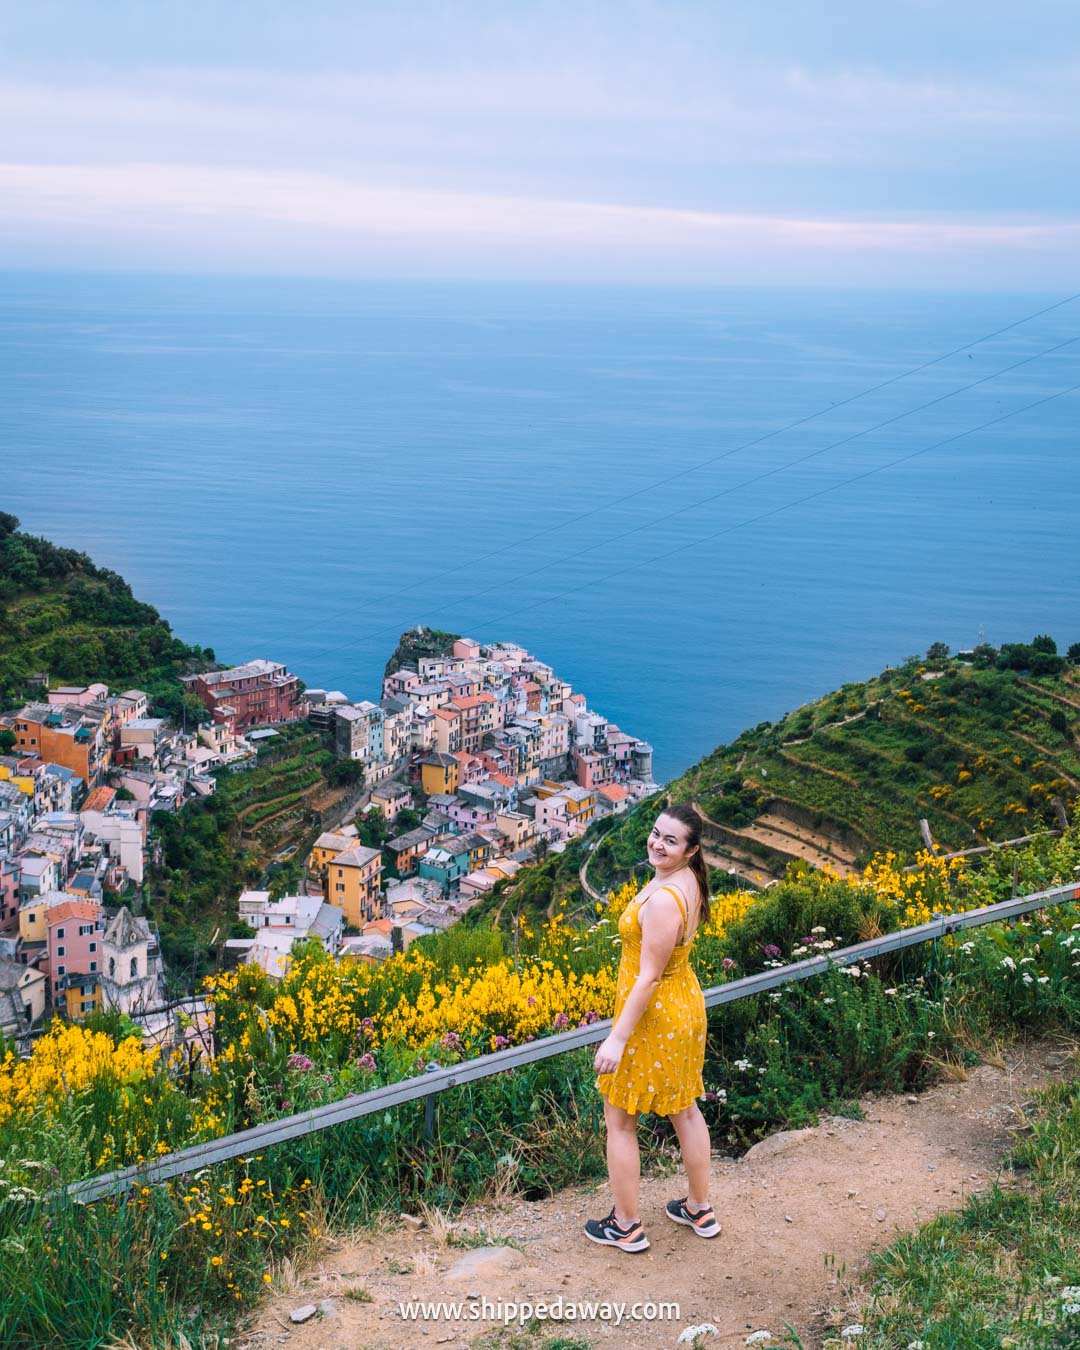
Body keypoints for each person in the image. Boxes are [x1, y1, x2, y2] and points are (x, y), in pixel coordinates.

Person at [585, 801, 719, 1252]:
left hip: (654, 1017)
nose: (657, 843)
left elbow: (648, 976)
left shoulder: (664, 899)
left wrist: (617, 1038)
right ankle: (699, 1208)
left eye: (670, 840)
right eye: (656, 833)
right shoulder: (686, 881)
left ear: (690, 849)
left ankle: (626, 1225)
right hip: (683, 1007)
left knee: (620, 1119)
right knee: (685, 1109)